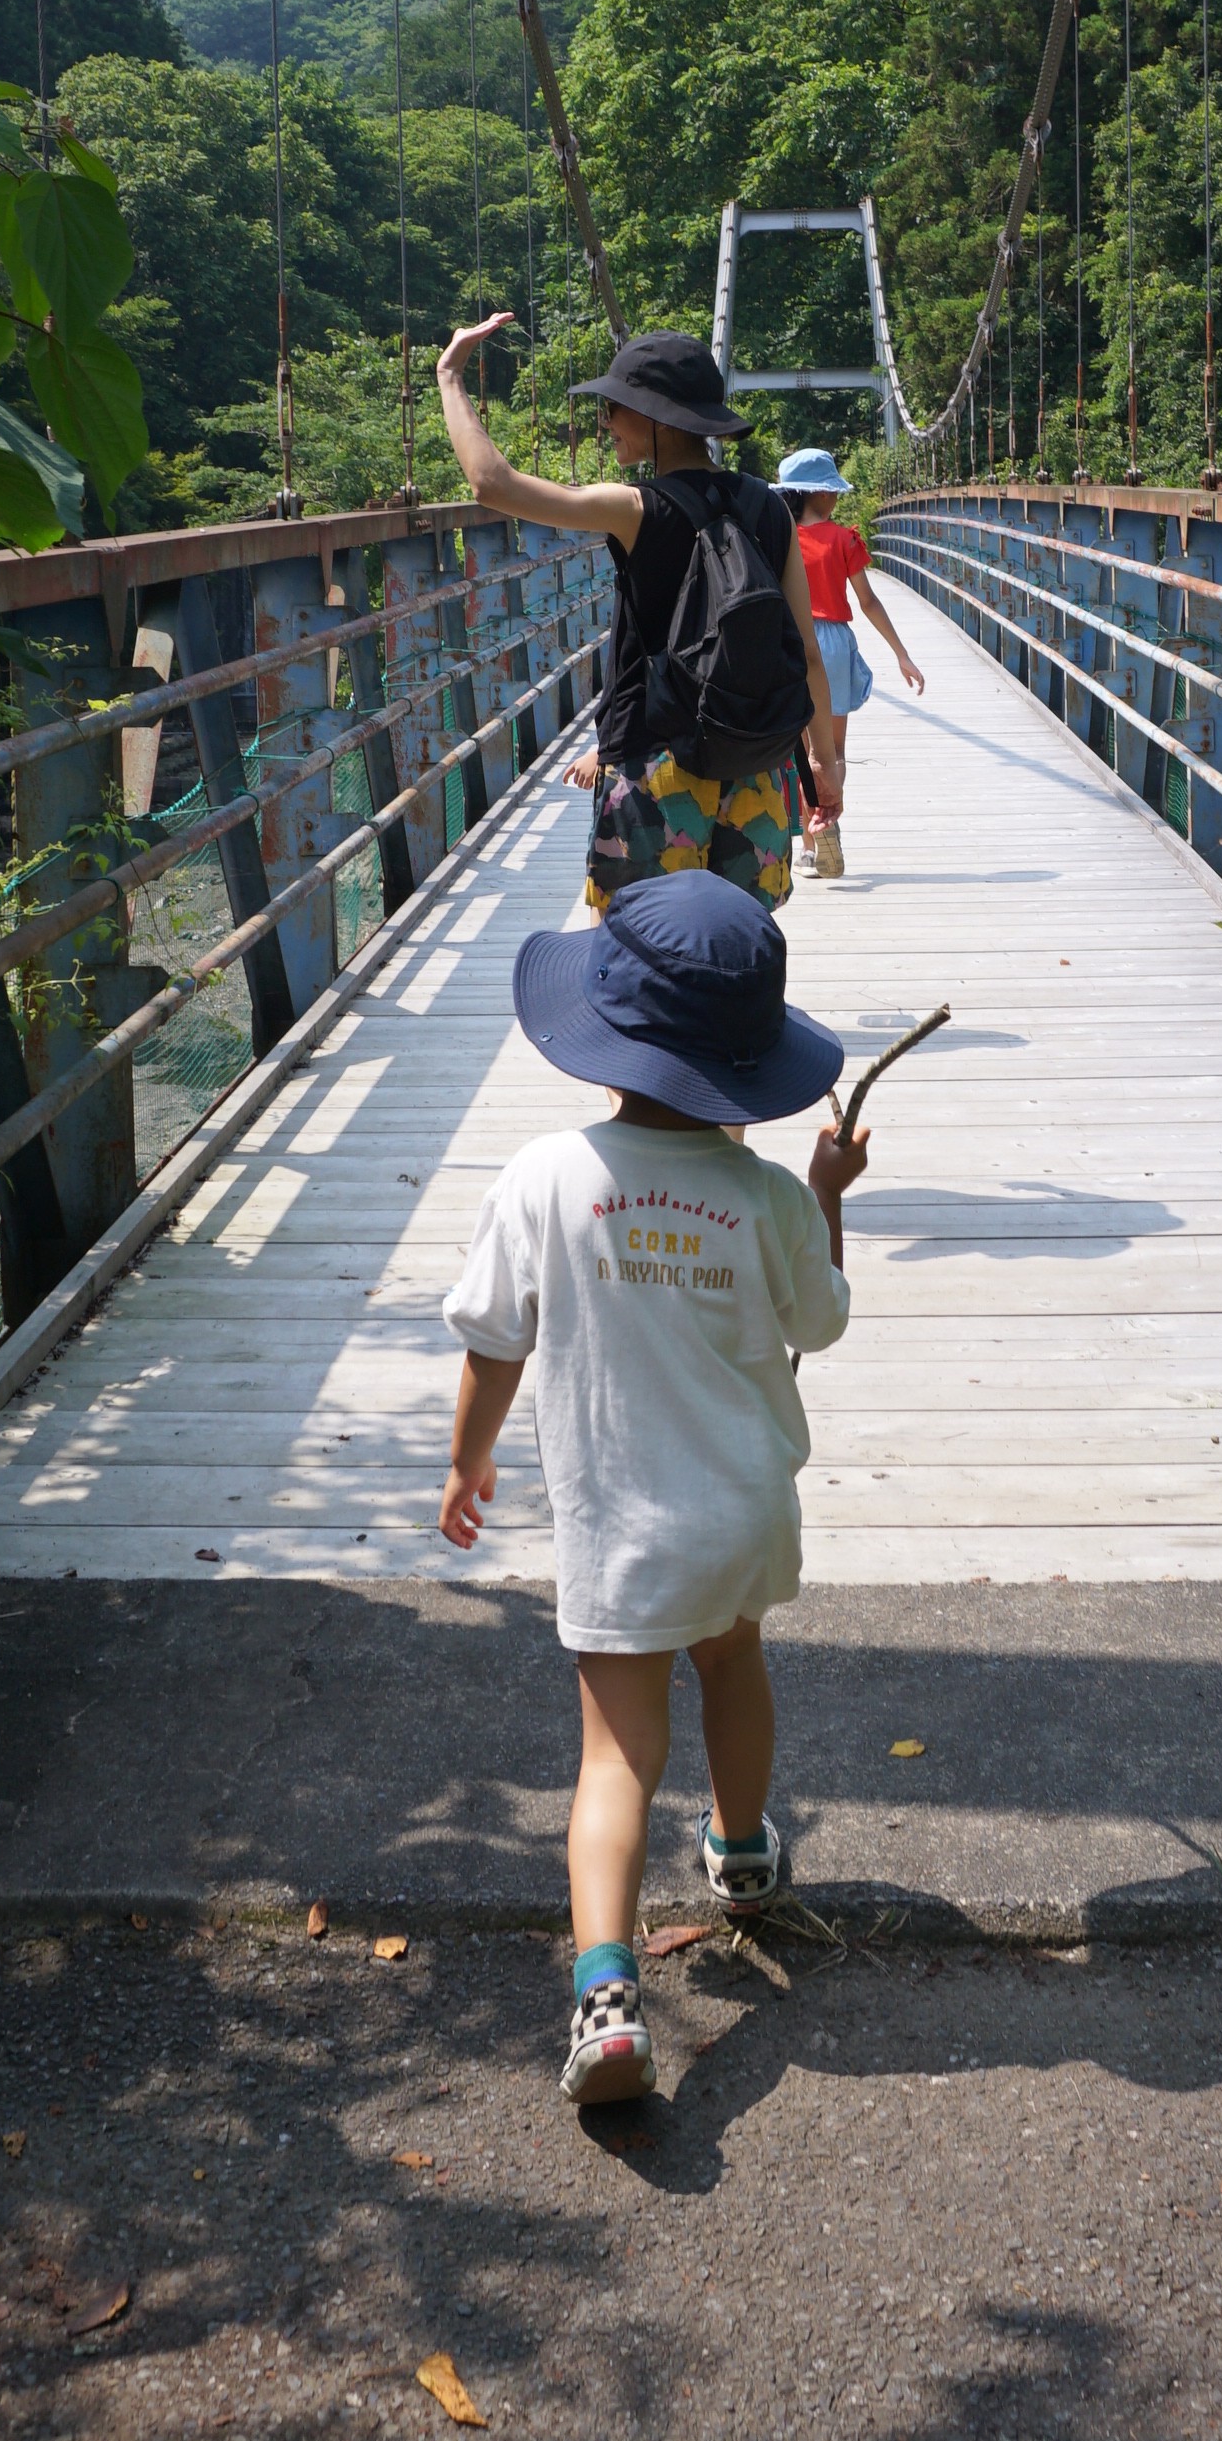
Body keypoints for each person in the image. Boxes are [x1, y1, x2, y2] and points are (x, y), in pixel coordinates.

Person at [437, 870, 869, 2106]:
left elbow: (492, 1341)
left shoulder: (542, 1176)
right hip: (739, 1508)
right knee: (733, 1666)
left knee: (618, 1754)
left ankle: (609, 1998)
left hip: (619, 1522)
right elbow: (821, 1325)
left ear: (604, 1036)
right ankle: (739, 1858)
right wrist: (829, 1195)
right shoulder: (771, 1197)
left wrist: (470, 1459)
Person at [432, 316, 837, 916]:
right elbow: (806, 652)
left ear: (657, 417)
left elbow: (492, 484)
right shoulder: (771, 510)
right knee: (735, 955)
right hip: (758, 769)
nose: (605, 423)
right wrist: (824, 761)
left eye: (616, 408)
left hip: (657, 770)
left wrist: (450, 377)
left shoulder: (635, 509)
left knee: (637, 959)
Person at [774, 447, 925, 880]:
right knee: (834, 750)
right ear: (822, 495)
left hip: (795, 642)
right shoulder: (844, 539)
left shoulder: (780, 539)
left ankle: (808, 847)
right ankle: (830, 822)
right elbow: (869, 601)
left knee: (804, 754)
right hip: (835, 646)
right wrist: (901, 653)